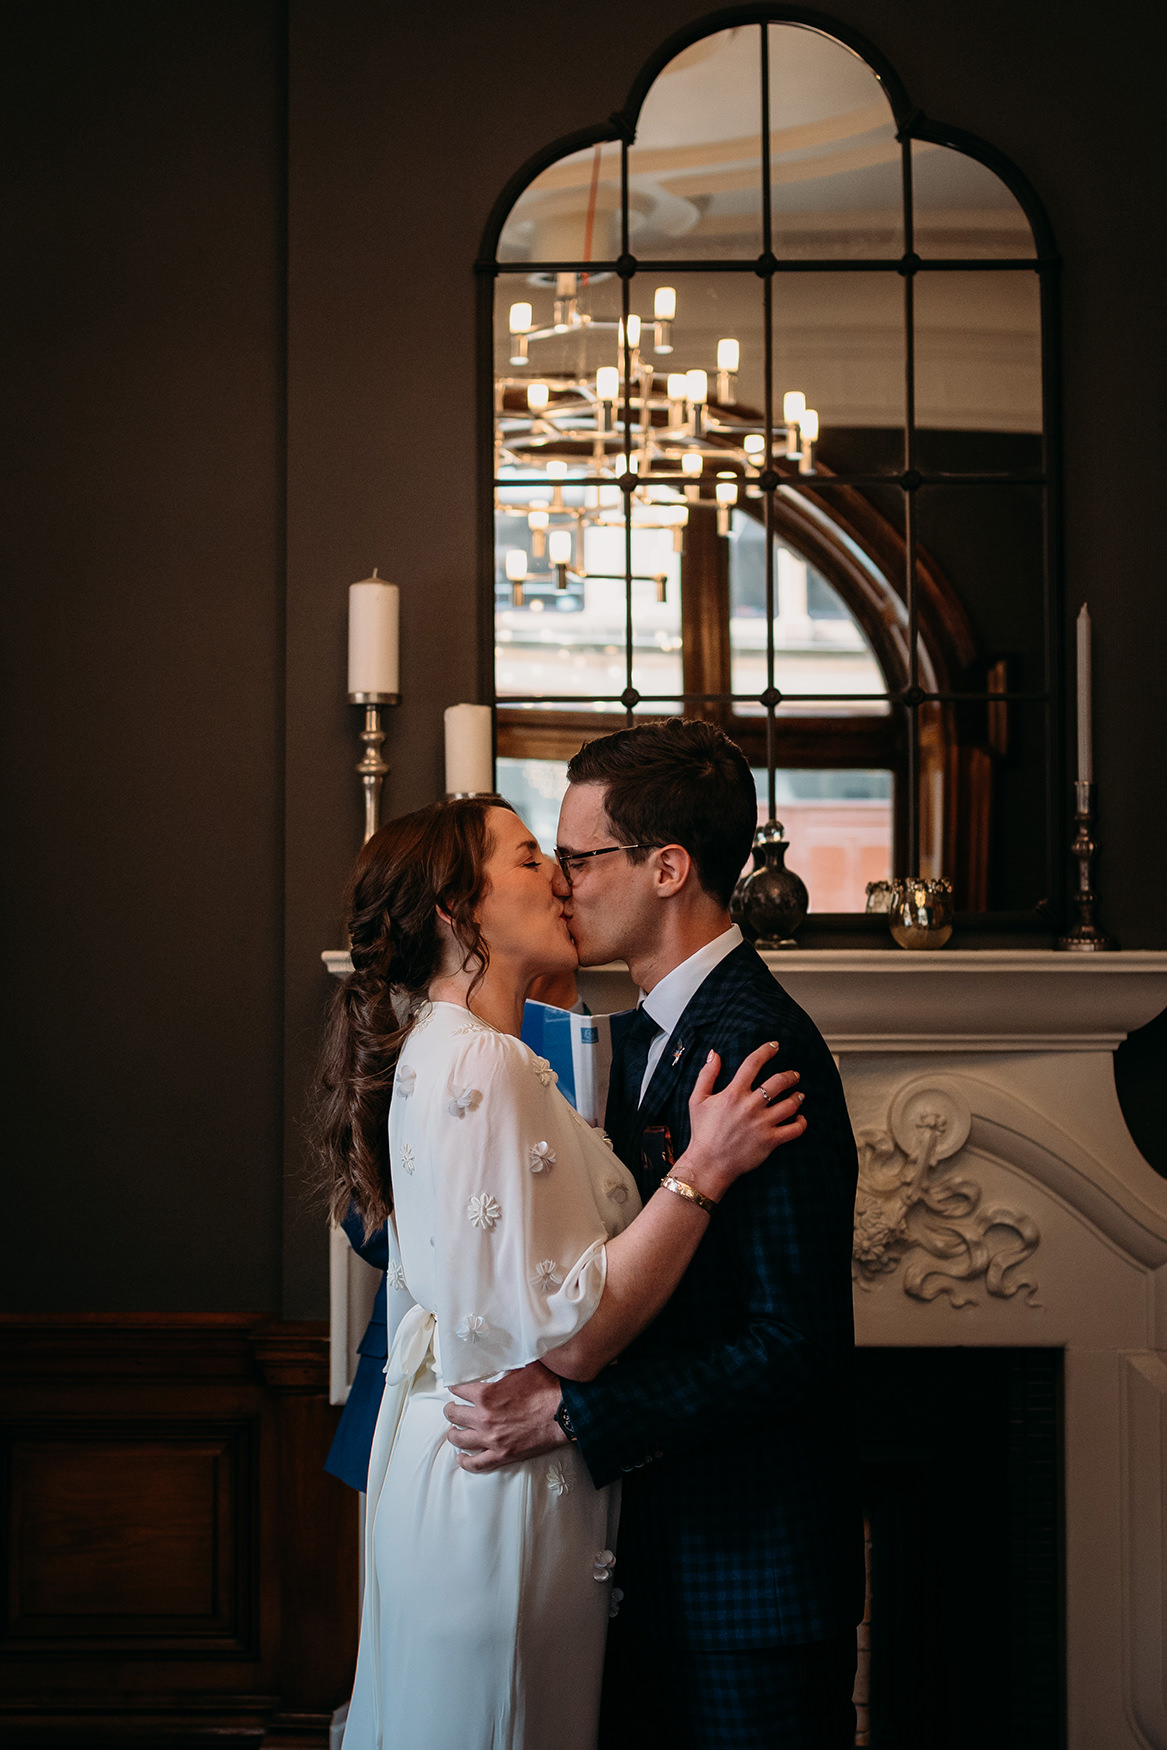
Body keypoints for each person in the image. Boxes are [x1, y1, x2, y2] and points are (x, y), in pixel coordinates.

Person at [314, 797, 806, 1750]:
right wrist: (699, 1172)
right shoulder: (482, 1065)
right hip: (498, 1478)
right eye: (530, 856)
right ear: (461, 912)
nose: (561, 873)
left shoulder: (463, 1053)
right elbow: (574, 1339)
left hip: (481, 1463)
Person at [445, 720, 864, 1749]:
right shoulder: (633, 1032)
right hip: (648, 1566)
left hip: (745, 1589)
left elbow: (791, 1346)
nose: (564, 882)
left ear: (668, 866)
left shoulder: (756, 1048)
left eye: (581, 856)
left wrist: (571, 1418)